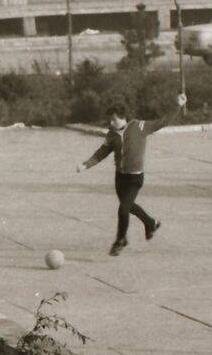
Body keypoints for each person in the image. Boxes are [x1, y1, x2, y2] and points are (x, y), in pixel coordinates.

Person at [77, 89, 189, 255]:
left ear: (122, 117)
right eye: (109, 120)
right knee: (128, 206)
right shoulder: (112, 134)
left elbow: (163, 122)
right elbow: (102, 152)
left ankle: (120, 240)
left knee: (123, 209)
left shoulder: (139, 126)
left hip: (135, 178)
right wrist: (86, 164)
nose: (111, 122)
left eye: (113, 119)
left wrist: (178, 105)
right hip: (120, 178)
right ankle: (151, 223)